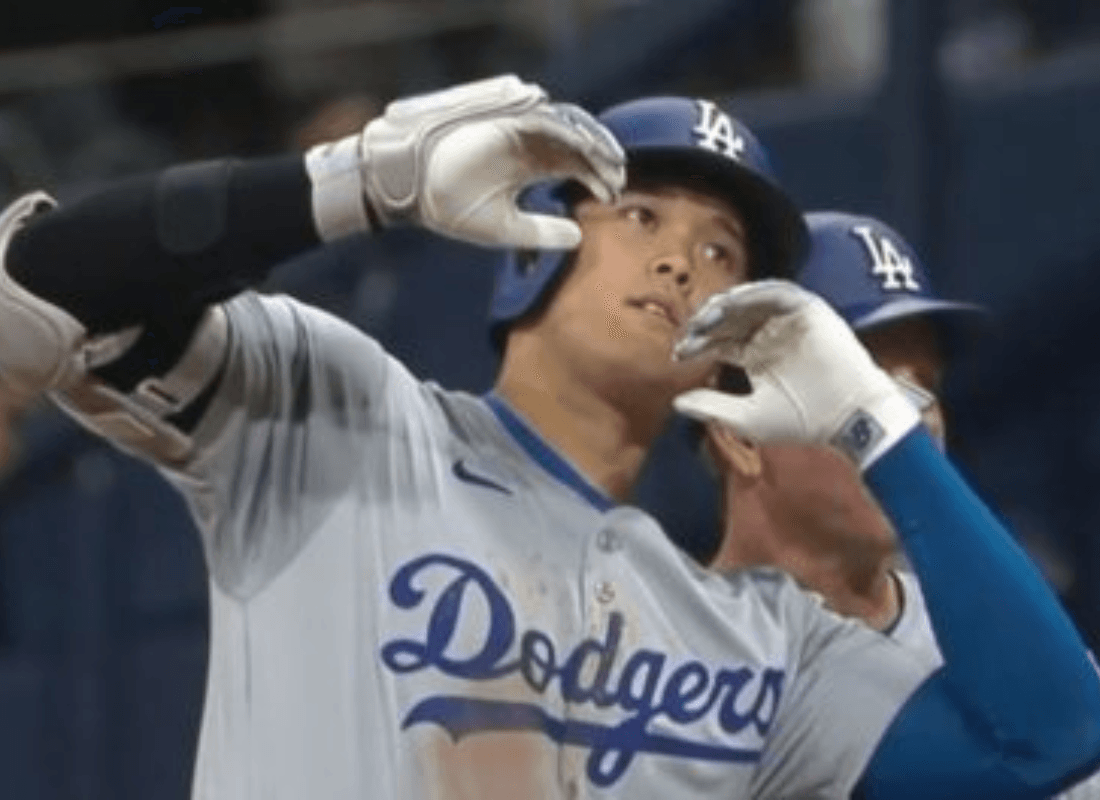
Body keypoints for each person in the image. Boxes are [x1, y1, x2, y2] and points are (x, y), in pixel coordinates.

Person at [0, 74, 1097, 799]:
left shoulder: (765, 640)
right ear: (534, 242)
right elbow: (34, 289)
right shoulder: (342, 413)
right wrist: (355, 183)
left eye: (723, 253)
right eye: (639, 215)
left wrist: (872, 420)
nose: (683, 262)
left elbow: (1046, 737)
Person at [696, 209, 1100, 798]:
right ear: (741, 435)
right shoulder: (651, 663)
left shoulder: (1011, 640)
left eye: (926, 383)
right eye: (860, 381)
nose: (910, 417)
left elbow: (1074, 742)